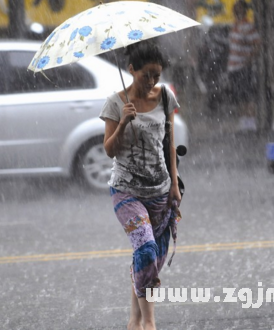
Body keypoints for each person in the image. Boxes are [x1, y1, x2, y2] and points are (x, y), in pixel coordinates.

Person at [99, 40, 182, 330]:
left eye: (157, 75)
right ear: (131, 69)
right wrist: (122, 123)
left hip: (160, 190)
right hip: (126, 190)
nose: (152, 81)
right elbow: (109, 150)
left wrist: (173, 184)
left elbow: (169, 143)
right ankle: (149, 323)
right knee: (146, 249)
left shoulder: (166, 98)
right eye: (146, 74)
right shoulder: (115, 103)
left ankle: (134, 321)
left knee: (152, 260)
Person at [227, 0, 261, 131]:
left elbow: (257, 44)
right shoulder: (235, 25)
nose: (236, 10)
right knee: (238, 96)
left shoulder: (247, 25)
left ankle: (251, 123)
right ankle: (243, 123)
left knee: (247, 95)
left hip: (242, 67)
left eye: (239, 8)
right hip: (233, 67)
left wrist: (249, 59)